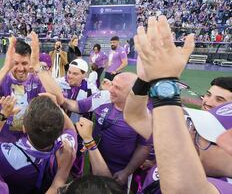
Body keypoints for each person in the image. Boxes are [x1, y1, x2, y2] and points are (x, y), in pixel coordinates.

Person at [132, 15, 232, 193]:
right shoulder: (189, 121)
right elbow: (135, 117)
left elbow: (183, 189)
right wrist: (143, 80)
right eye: (208, 95)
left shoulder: (224, 185)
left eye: (220, 100)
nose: (208, 102)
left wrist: (163, 82)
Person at [62, 72, 151, 186]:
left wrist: (127, 172)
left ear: (131, 93)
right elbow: (76, 106)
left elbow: (144, 147)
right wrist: (59, 99)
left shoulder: (144, 114)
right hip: (93, 159)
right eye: (112, 84)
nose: (111, 90)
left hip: (118, 171)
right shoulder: (103, 97)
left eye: (117, 88)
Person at [0, 95, 77, 194]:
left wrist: (3, 114)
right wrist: (56, 107)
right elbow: (70, 129)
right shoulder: (67, 147)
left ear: (24, 128)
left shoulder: (9, 156)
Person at [0, 32, 64, 143]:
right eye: (16, 63)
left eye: (24, 63)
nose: (20, 68)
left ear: (30, 60)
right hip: (4, 139)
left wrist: (37, 66)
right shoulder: (2, 77)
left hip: (30, 141)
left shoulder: (37, 79)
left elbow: (60, 99)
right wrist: (5, 68)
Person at [56, 58, 98, 178]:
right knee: (57, 153)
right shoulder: (58, 83)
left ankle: (76, 176)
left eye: (75, 73)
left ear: (84, 74)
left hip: (79, 130)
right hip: (59, 127)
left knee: (78, 155)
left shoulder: (91, 89)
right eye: (69, 72)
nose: (70, 76)